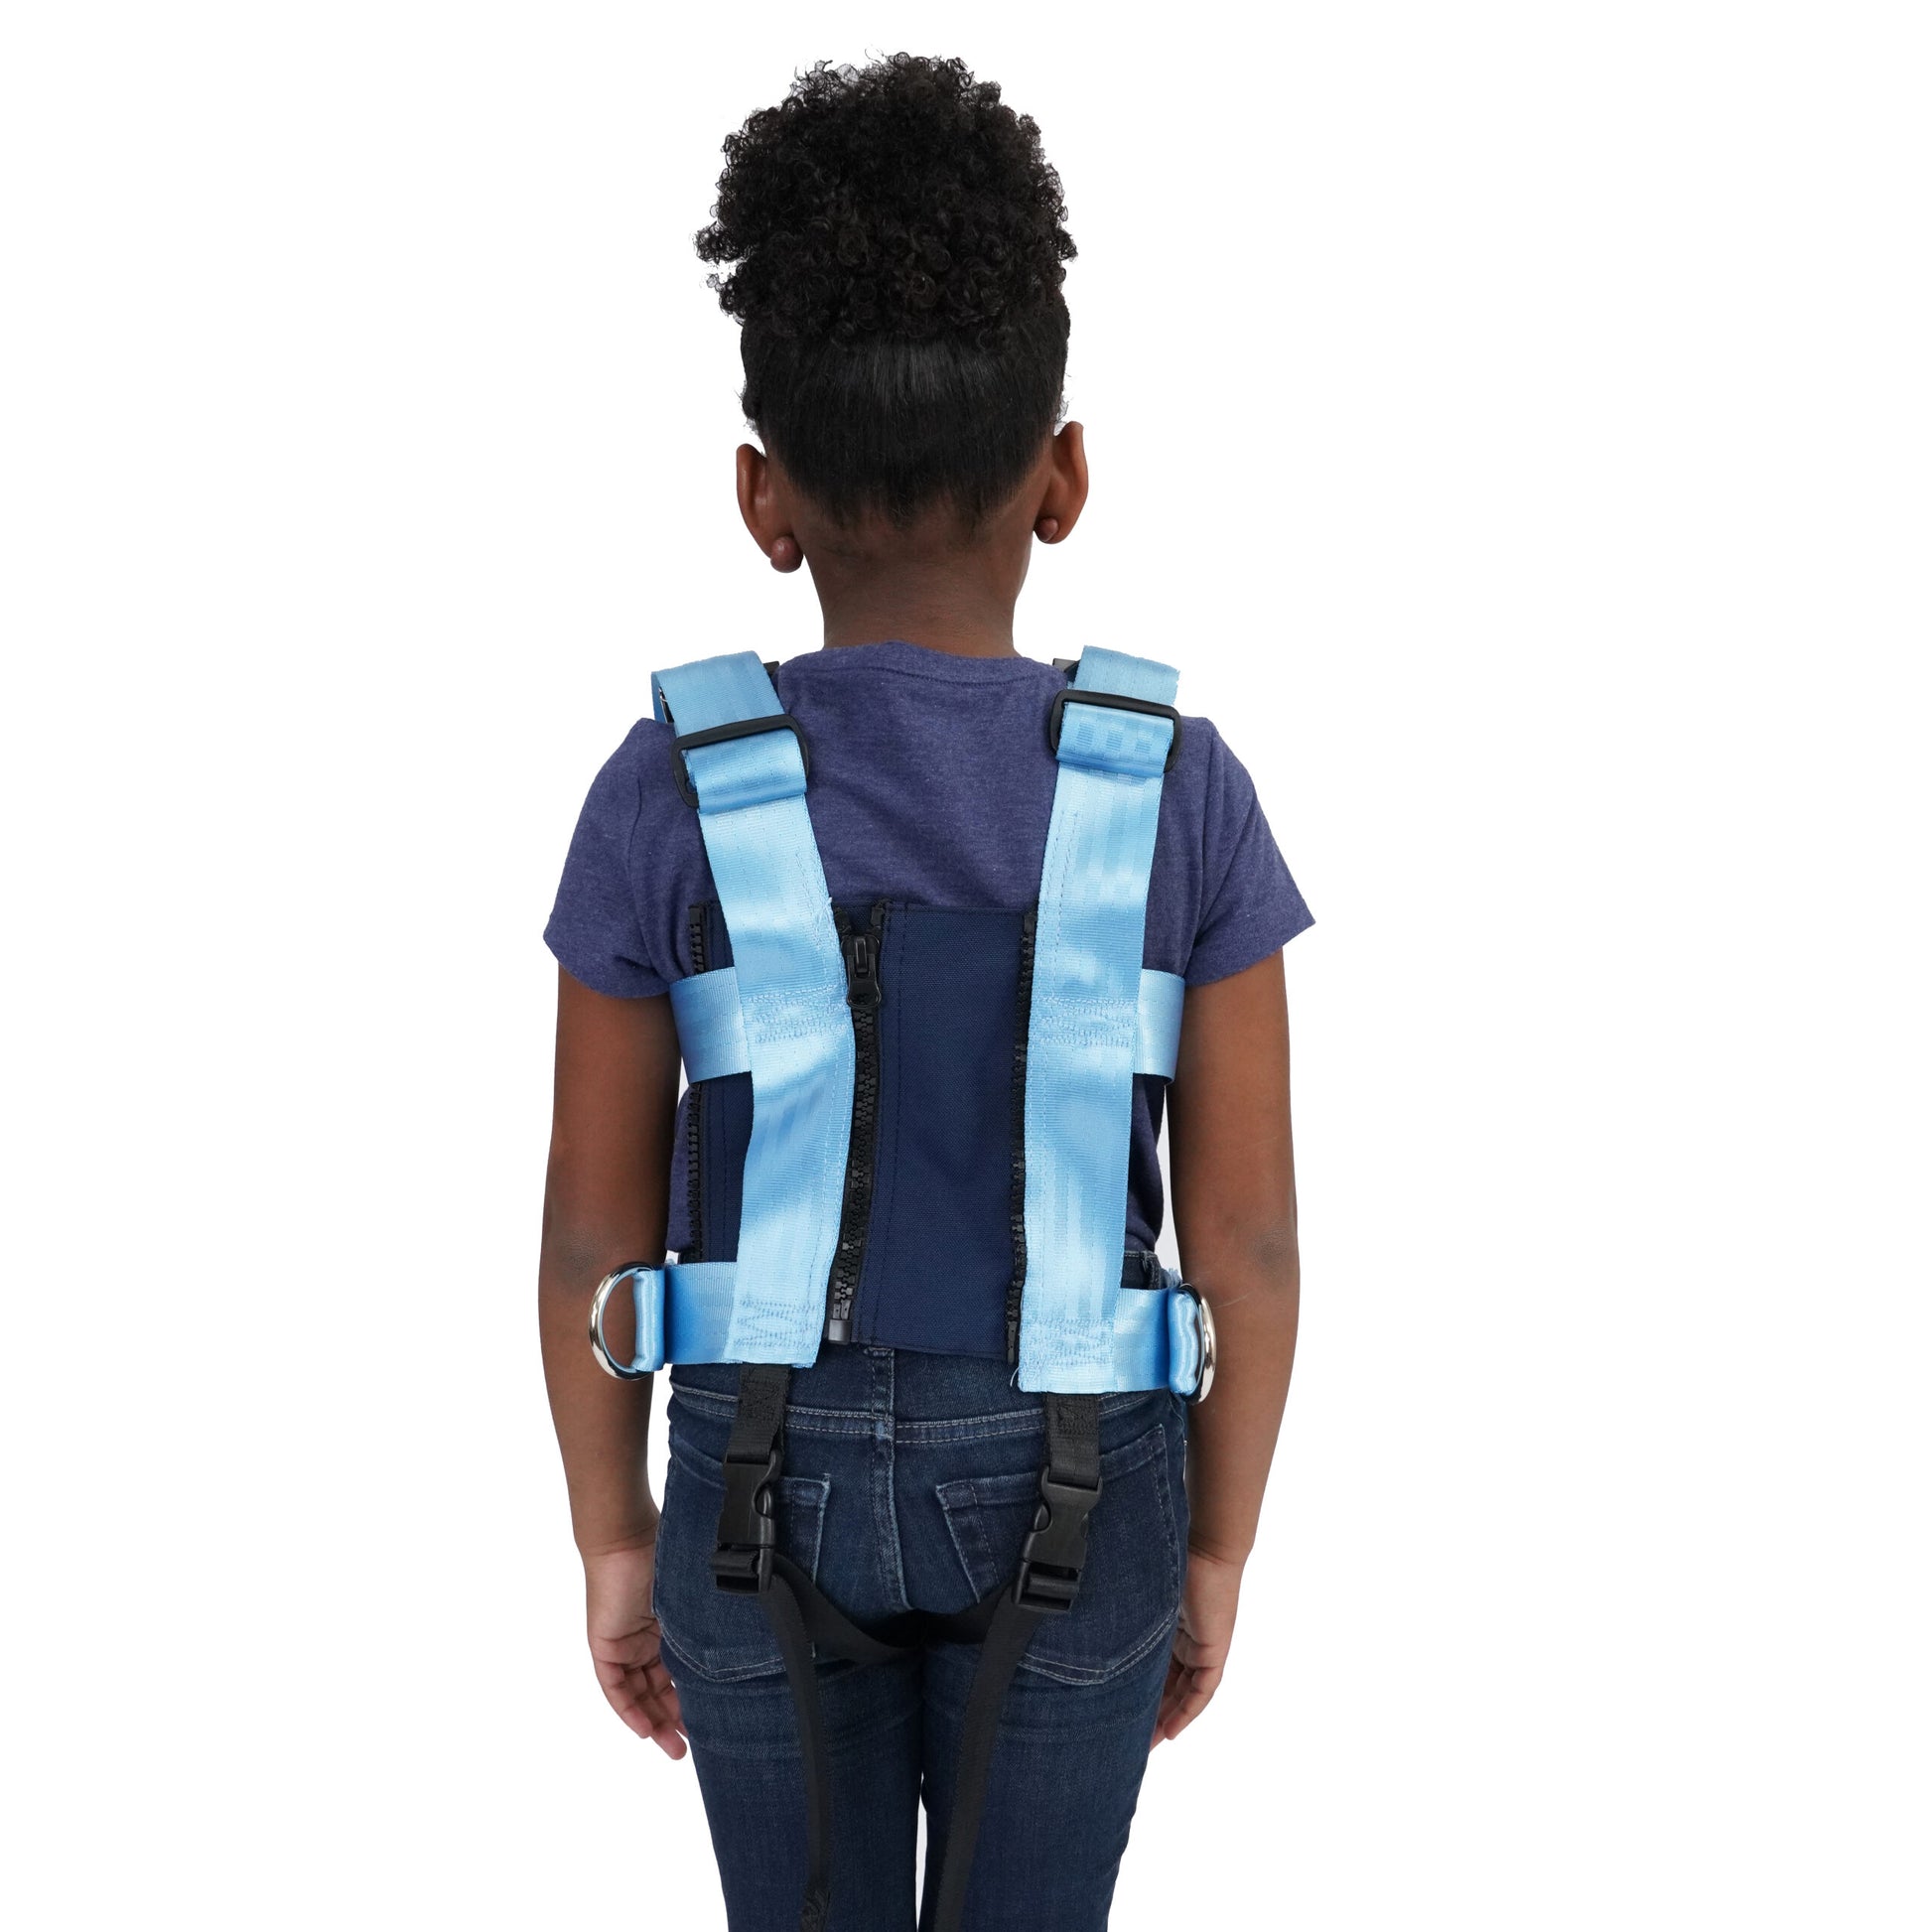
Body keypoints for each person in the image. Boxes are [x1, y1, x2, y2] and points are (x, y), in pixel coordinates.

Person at [537, 55, 1310, 1932]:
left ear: (762, 498)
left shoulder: (665, 783)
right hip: (1082, 1473)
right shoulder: (1175, 784)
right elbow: (1249, 1239)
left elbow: (585, 1230)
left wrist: (617, 1540)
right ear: (1062, 477)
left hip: (750, 1477)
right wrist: (1212, 1549)